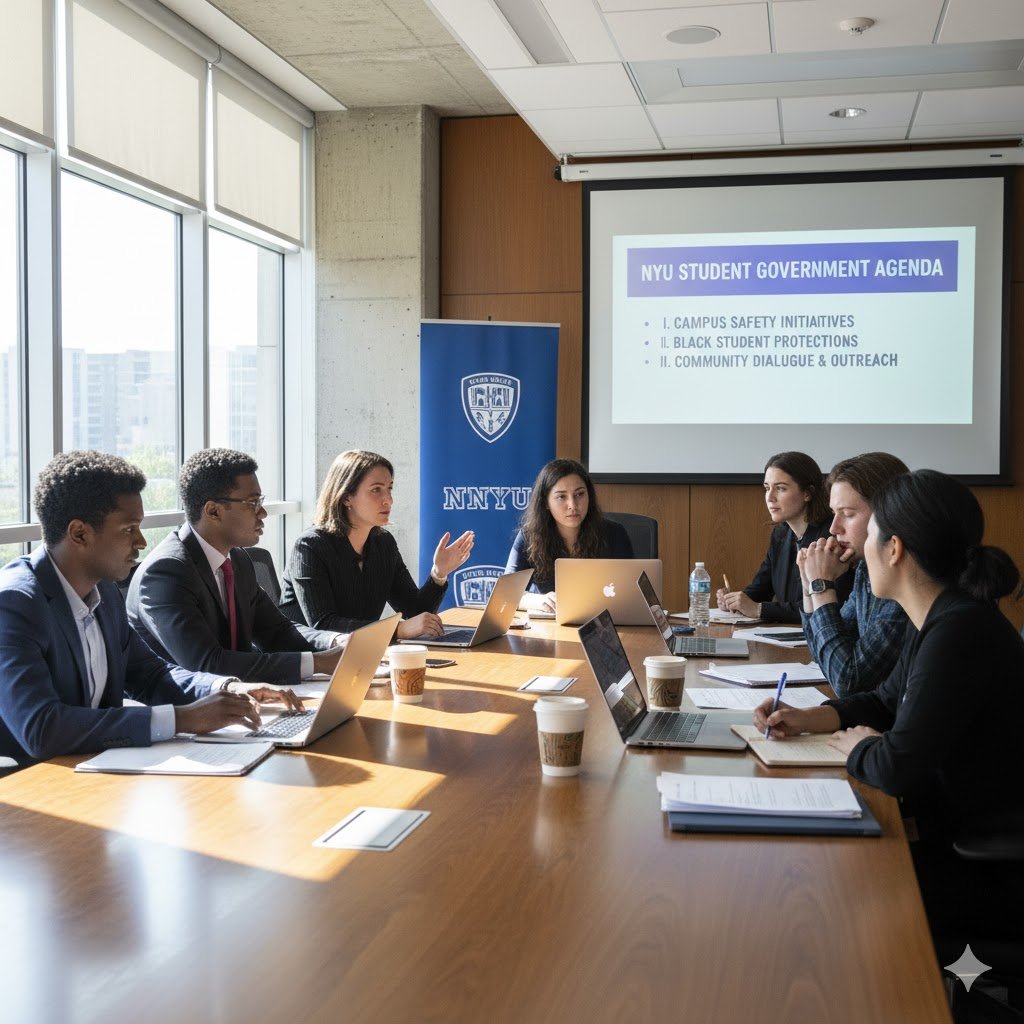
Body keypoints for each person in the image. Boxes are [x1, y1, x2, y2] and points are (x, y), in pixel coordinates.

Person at [756, 469, 1024, 954]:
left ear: (894, 548)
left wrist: (861, 745)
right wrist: (816, 716)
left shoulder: (958, 633)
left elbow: (897, 765)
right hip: (951, 828)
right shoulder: (940, 617)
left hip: (981, 866)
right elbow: (882, 701)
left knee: (812, 908)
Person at [0, 451, 300, 766]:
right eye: (129, 529)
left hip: (98, 768)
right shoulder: (15, 604)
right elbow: (41, 728)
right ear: (79, 533)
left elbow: (151, 675)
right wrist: (181, 719)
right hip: (35, 788)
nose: (142, 542)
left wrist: (227, 689)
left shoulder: (102, 590)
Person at [127, 448, 344, 683]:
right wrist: (321, 662)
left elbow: (277, 631)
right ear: (213, 511)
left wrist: (337, 642)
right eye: (252, 502)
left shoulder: (237, 559)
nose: (262, 513)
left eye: (260, 501)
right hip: (190, 711)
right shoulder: (166, 572)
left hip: (242, 699)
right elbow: (208, 663)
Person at [278, 450, 473, 638]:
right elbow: (324, 624)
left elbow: (415, 613)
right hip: (309, 663)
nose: (388, 500)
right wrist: (398, 630)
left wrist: (439, 574)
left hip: (361, 656)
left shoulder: (383, 543)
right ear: (347, 497)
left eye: (389, 488)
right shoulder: (310, 546)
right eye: (375, 490)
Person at [797, 451, 910, 697]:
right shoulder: (865, 570)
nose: (833, 528)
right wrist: (809, 585)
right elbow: (825, 655)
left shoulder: (907, 582)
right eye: (834, 513)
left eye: (847, 514)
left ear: (888, 513)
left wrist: (822, 586)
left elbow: (848, 681)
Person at [716, 451, 853, 622]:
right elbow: (760, 589)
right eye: (767, 488)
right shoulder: (780, 534)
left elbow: (827, 605)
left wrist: (758, 609)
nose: (770, 497)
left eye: (780, 488)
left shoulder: (831, 538)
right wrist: (734, 600)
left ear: (807, 493)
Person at [504, 458, 632, 614]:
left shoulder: (614, 533)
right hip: (549, 630)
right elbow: (506, 595)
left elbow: (631, 595)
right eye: (561, 497)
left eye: (579, 494)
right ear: (545, 502)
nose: (572, 505)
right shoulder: (529, 536)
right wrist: (539, 601)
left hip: (604, 625)